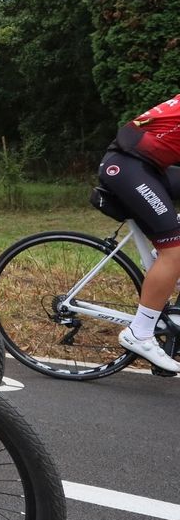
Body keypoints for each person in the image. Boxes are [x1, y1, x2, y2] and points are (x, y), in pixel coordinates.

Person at [97, 94, 180, 372]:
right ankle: (140, 332)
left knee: (172, 247)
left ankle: (164, 259)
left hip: (148, 166)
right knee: (174, 251)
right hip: (127, 167)